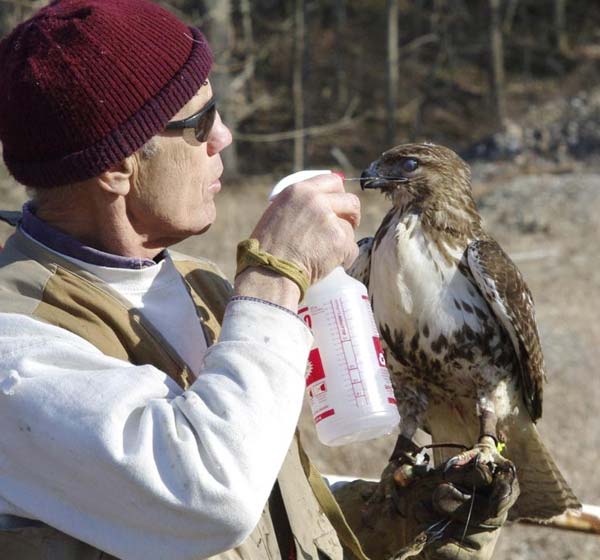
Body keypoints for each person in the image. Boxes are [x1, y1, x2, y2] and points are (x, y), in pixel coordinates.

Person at [0, 1, 518, 559]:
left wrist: (404, 515)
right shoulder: (19, 342)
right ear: (117, 166)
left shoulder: (207, 290)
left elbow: (263, 504)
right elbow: (205, 498)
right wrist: (275, 277)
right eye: (200, 121)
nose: (222, 135)